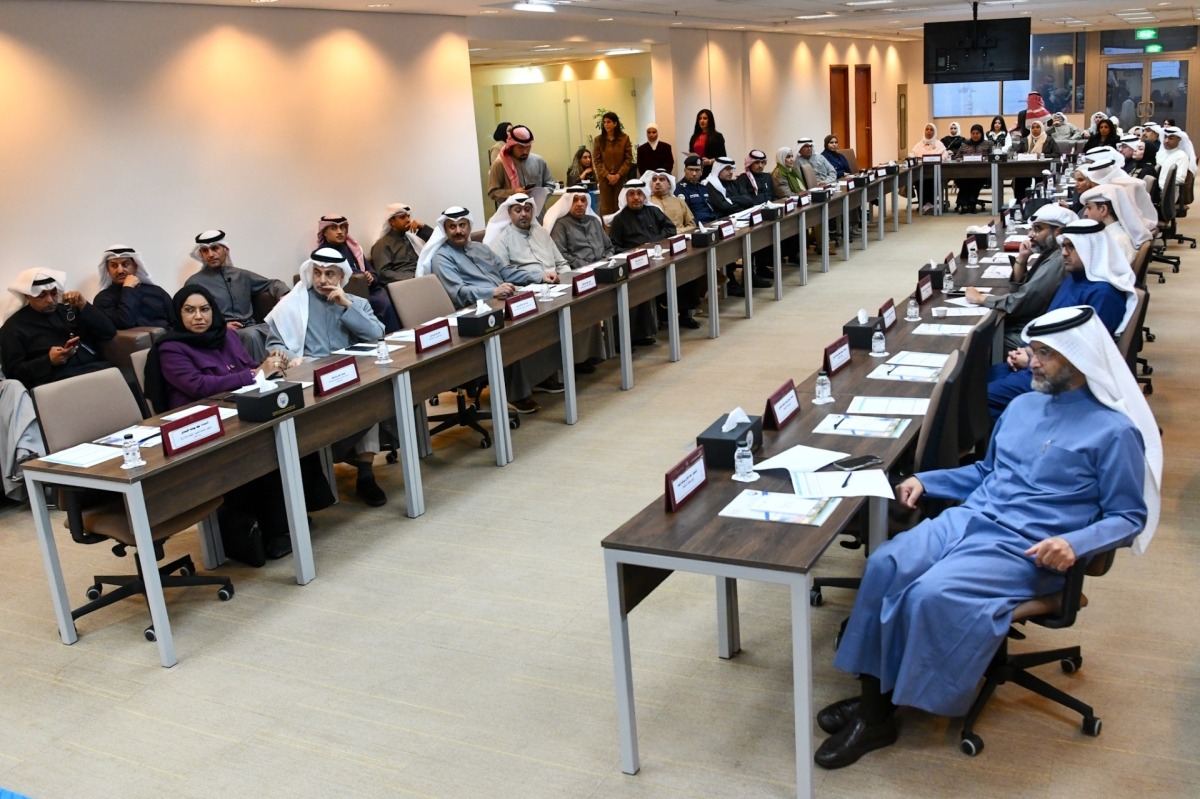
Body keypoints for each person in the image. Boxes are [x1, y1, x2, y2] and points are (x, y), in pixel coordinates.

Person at [814, 304, 1160, 770]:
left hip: (1028, 548)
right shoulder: (1022, 406)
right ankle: (875, 702)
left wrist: (1075, 544)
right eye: (1033, 351)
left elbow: (1129, 516)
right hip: (973, 518)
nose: (1032, 361)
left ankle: (879, 713)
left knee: (930, 593)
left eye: (1045, 354)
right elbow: (986, 472)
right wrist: (927, 481)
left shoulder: (1115, 432)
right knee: (886, 564)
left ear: (1080, 360)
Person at [142, 284, 334, 563]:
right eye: (190, 310)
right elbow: (199, 386)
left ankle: (293, 515)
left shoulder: (226, 335)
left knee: (292, 431)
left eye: (204, 309)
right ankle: (275, 531)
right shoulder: (171, 348)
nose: (199, 316)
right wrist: (255, 374)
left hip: (236, 410)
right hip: (199, 425)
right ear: (178, 314)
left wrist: (272, 364)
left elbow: (248, 365)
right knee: (264, 452)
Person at [265, 248, 389, 505]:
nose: (322, 280)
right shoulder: (293, 304)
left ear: (341, 276)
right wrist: (295, 358)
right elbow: (274, 344)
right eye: (317, 273)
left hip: (352, 376)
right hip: (311, 379)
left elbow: (377, 335)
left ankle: (366, 476)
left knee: (370, 399)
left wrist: (347, 306)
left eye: (329, 274)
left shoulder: (356, 302)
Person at [987, 219, 1137, 419]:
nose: (1064, 253)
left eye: (1071, 247)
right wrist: (1027, 349)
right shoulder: (1074, 278)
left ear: (1091, 248)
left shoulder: (1103, 294)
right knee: (978, 379)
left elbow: (1087, 352)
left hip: (1058, 374)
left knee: (979, 395)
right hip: (1041, 359)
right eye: (1063, 246)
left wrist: (1031, 359)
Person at [418, 206, 560, 412]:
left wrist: (539, 276)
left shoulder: (481, 248)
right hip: (473, 312)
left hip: (501, 300)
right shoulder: (442, 257)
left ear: (469, 226)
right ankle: (515, 394)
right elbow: (459, 292)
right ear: (445, 230)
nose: (458, 231)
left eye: (462, 225)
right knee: (511, 332)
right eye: (452, 227)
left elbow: (505, 271)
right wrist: (492, 292)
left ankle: (539, 378)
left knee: (541, 316)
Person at [486, 193, 607, 371]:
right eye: (518, 210)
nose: (523, 214)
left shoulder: (542, 233)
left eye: (527, 209)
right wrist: (539, 277)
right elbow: (505, 273)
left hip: (557, 284)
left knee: (583, 302)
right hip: (529, 291)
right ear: (509, 213)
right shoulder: (502, 240)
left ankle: (583, 357)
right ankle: (558, 368)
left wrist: (567, 280)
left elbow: (561, 263)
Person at [964, 204, 1075, 350]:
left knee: (979, 340)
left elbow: (1021, 301)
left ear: (1058, 232)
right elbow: (1018, 291)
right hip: (1030, 322)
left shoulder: (1058, 260)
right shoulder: (1050, 253)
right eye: (1032, 229)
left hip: (1034, 330)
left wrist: (981, 299)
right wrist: (1022, 259)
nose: (1030, 235)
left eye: (1038, 229)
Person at [0, 267, 115, 389]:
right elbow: (14, 374)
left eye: (53, 293)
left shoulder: (68, 310)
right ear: (27, 296)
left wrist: (84, 306)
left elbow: (109, 332)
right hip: (56, 383)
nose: (50, 300)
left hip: (95, 369)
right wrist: (48, 361)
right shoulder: (13, 328)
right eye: (41, 295)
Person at [184, 229, 288, 361]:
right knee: (251, 335)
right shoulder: (195, 282)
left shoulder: (241, 275)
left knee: (280, 327)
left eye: (215, 248)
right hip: (222, 332)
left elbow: (273, 283)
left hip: (252, 326)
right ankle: (262, 371)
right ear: (201, 254)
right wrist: (221, 327)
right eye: (205, 251)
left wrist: (284, 295)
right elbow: (191, 316)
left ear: (226, 250)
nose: (210, 254)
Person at [609, 180, 678, 340]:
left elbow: (671, 229)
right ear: (625, 197)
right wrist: (633, 252)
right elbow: (614, 246)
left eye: (639, 193)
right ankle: (635, 336)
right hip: (634, 263)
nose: (636, 198)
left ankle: (681, 315)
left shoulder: (653, 211)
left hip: (659, 256)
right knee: (638, 289)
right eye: (631, 194)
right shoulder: (620, 219)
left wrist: (653, 242)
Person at [316, 214, 400, 332]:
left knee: (393, 295)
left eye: (342, 227)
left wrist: (371, 277)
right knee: (383, 303)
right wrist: (363, 276)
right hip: (348, 294)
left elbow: (370, 270)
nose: (339, 231)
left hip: (370, 289)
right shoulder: (323, 253)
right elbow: (344, 274)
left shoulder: (353, 248)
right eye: (334, 228)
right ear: (324, 232)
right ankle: (387, 337)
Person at [91, 246, 175, 330]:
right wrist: (128, 289)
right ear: (108, 270)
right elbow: (124, 323)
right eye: (114, 265)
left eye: (125, 264)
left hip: (169, 336)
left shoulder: (156, 291)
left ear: (135, 266)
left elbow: (175, 321)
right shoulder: (103, 299)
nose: (120, 271)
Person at [547, 185, 616, 269]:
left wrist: (606, 261)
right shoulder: (561, 225)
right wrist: (586, 266)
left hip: (604, 266)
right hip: (579, 270)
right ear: (568, 202)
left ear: (587, 203)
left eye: (583, 200)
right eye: (575, 200)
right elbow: (561, 254)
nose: (580, 204)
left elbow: (609, 247)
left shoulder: (594, 221)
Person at [486, 124, 554, 207]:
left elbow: (550, 185)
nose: (525, 151)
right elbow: (492, 192)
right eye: (520, 147)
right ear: (511, 146)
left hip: (537, 211)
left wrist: (539, 195)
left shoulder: (539, 161)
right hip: (511, 212)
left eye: (528, 147)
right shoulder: (500, 164)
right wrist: (513, 193)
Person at [369, 203, 433, 286]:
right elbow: (383, 274)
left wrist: (423, 227)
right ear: (392, 221)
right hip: (406, 284)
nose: (408, 220)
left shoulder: (412, 238)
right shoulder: (382, 245)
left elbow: (437, 244)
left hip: (424, 277)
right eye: (402, 217)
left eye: (408, 216)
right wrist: (413, 277)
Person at [593, 111, 634, 216]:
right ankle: (606, 227)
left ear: (615, 123)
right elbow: (597, 160)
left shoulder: (624, 138)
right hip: (604, 179)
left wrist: (618, 175)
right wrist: (608, 175)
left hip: (620, 178)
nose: (606, 124)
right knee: (606, 208)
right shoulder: (598, 140)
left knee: (620, 205)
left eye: (608, 122)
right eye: (604, 122)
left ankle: (621, 226)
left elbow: (628, 159)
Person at [1010, 120, 1061, 201]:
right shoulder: (1025, 140)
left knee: (1041, 181)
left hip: (1042, 167)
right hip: (1026, 167)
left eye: (1037, 127)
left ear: (1042, 128)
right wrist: (1024, 155)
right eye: (1033, 127)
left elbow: (1057, 154)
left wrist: (1042, 155)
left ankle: (1042, 201)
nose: (1035, 129)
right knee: (1020, 179)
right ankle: (1021, 202)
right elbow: (1016, 153)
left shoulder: (1049, 140)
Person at [952, 125, 992, 214]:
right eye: (973, 133)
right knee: (963, 181)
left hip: (982, 173)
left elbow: (992, 156)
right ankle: (968, 204)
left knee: (975, 181)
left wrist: (985, 159)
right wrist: (961, 160)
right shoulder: (965, 144)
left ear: (981, 134)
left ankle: (967, 204)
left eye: (977, 133)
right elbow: (957, 157)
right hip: (965, 172)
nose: (975, 135)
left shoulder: (988, 144)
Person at [909, 123, 947, 214]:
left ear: (935, 132)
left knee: (932, 180)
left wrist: (938, 159)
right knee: (919, 181)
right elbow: (912, 155)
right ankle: (923, 204)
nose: (929, 131)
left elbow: (945, 155)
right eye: (927, 129)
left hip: (935, 171)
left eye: (931, 130)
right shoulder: (919, 144)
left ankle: (930, 204)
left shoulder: (939, 144)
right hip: (921, 172)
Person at [674, 155, 719, 227]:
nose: (694, 174)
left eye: (697, 170)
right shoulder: (679, 189)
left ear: (701, 172)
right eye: (691, 170)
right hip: (697, 226)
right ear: (685, 170)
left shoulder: (703, 188)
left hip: (713, 222)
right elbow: (684, 216)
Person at [688, 108, 727, 176]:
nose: (702, 121)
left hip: (711, 170)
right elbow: (691, 153)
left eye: (705, 118)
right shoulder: (694, 137)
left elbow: (723, 157)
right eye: (700, 119)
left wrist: (710, 161)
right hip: (696, 170)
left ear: (710, 120)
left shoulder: (717, 136)